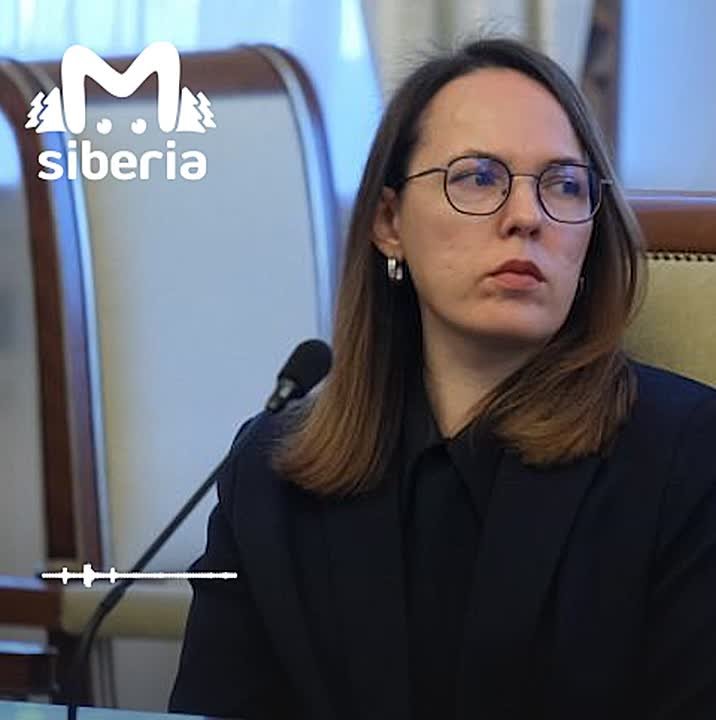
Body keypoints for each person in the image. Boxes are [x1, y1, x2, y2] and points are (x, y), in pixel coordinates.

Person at [168, 37, 716, 720]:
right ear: (389, 222)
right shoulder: (271, 474)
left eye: (564, 185)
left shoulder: (689, 458)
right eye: (479, 177)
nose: (527, 217)